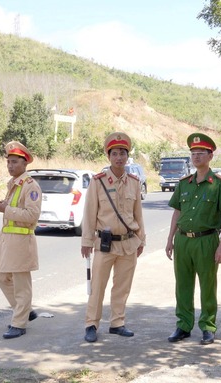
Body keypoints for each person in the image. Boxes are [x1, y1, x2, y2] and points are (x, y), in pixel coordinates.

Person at [165, 133, 221, 345]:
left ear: (210, 156)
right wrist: (169, 240)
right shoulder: (184, 183)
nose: (196, 156)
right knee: (182, 285)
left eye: (201, 153)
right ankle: (183, 325)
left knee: (208, 285)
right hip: (183, 240)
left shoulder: (219, 183)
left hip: (206, 240)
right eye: (193, 153)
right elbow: (177, 212)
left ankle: (208, 326)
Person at [81, 132, 146, 343]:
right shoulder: (98, 182)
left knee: (122, 287)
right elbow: (89, 214)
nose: (119, 158)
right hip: (105, 245)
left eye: (123, 154)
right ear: (109, 156)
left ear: (128, 157)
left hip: (128, 243)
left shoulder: (134, 182)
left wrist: (141, 239)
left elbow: (138, 214)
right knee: (98, 286)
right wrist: (86, 242)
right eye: (115, 153)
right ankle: (91, 324)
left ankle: (117, 323)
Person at [0, 141, 42, 339]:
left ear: (24, 164)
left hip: (22, 242)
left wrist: (7, 209)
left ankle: (19, 323)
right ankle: (24, 310)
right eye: (8, 162)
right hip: (8, 240)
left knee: (22, 285)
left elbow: (32, 215)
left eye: (14, 162)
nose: (10, 166)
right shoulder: (14, 184)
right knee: (1, 277)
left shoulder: (30, 185)